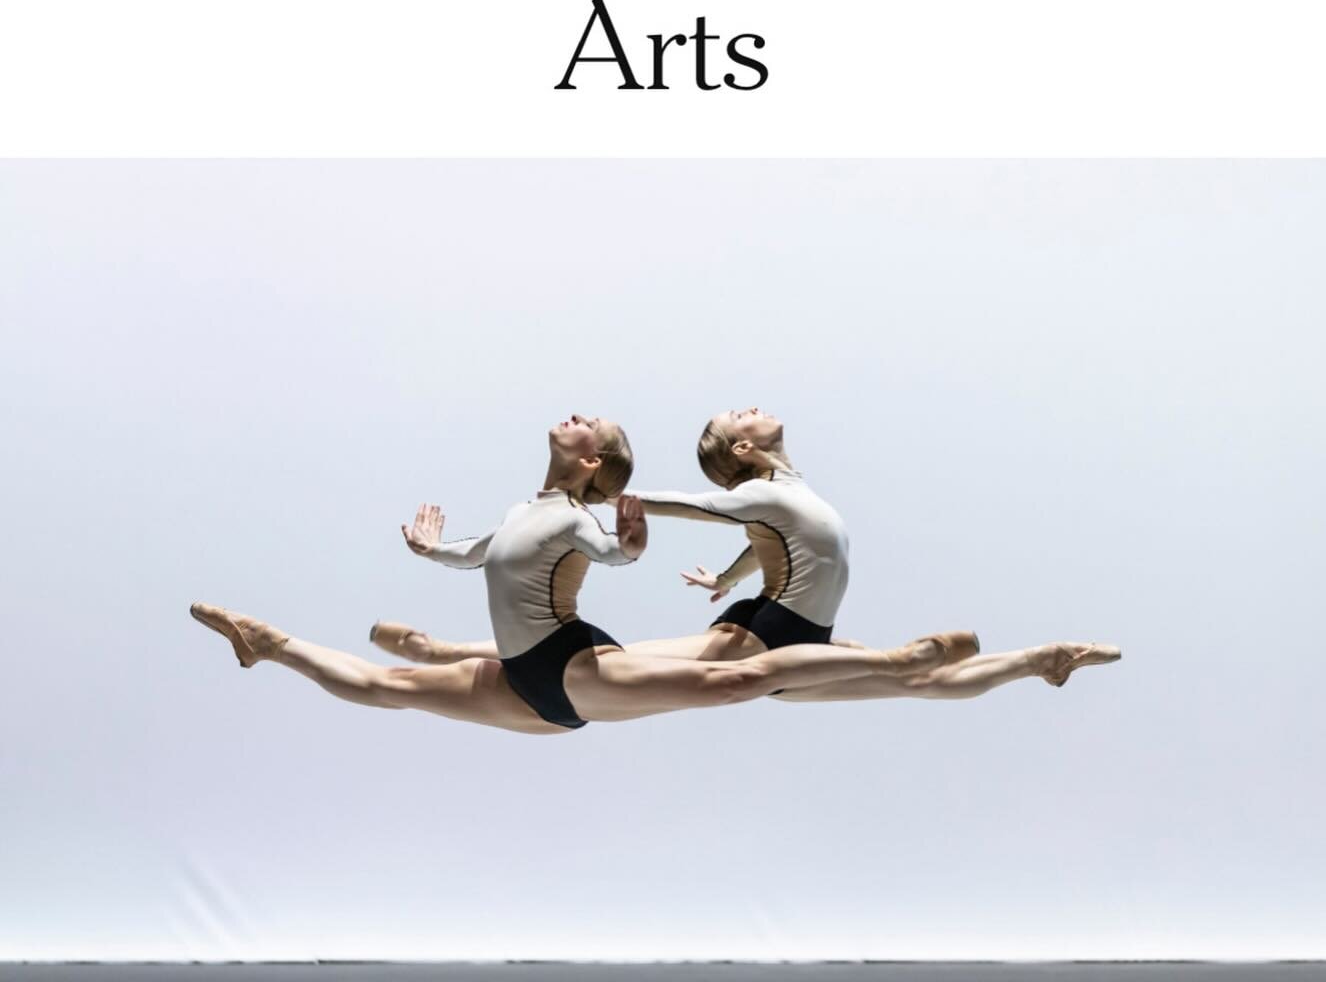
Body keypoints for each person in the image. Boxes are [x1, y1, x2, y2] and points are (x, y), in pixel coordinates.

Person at [193, 414, 970, 736]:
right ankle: (273, 643)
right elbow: (478, 555)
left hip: (572, 670)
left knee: (735, 682)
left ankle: (889, 659)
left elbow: (611, 553)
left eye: (584, 424)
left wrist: (631, 541)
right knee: (377, 690)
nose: (570, 417)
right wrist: (432, 552)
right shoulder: (520, 510)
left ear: (590, 461)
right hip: (531, 678)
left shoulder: (574, 518)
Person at [374, 407, 1119, 698]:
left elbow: (772, 547)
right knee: (630, 663)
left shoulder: (788, 499)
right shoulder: (765, 491)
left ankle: (1037, 661)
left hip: (801, 632)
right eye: (740, 416)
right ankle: (442, 650)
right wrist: (619, 505)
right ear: (744, 447)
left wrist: (728, 570)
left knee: (922, 686)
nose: (751, 410)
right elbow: (710, 507)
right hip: (760, 630)